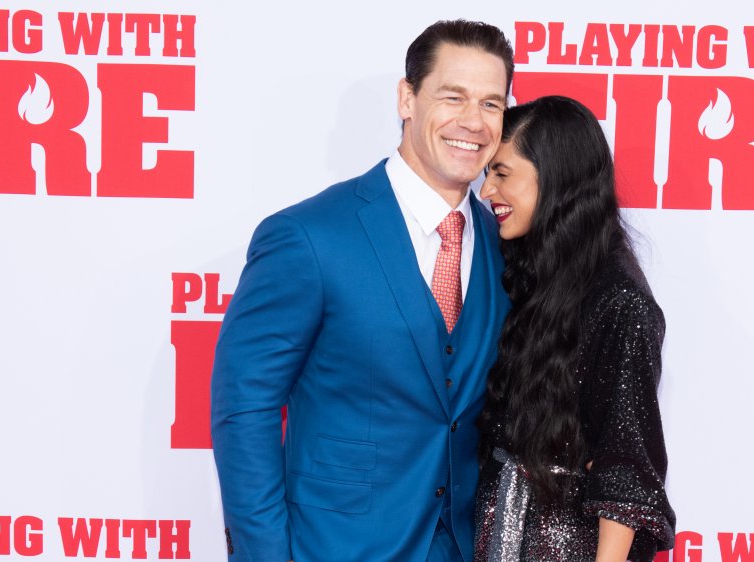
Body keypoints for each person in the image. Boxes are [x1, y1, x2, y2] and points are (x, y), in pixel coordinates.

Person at [210, 20, 513, 562]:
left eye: (492, 104)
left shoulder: (503, 241)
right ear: (407, 98)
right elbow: (245, 407)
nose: (473, 121)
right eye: (453, 96)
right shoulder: (309, 236)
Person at [474, 96, 676, 562]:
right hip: (499, 535)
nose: (486, 191)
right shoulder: (528, 273)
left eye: (502, 173)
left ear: (555, 176)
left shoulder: (619, 302)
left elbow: (626, 469)